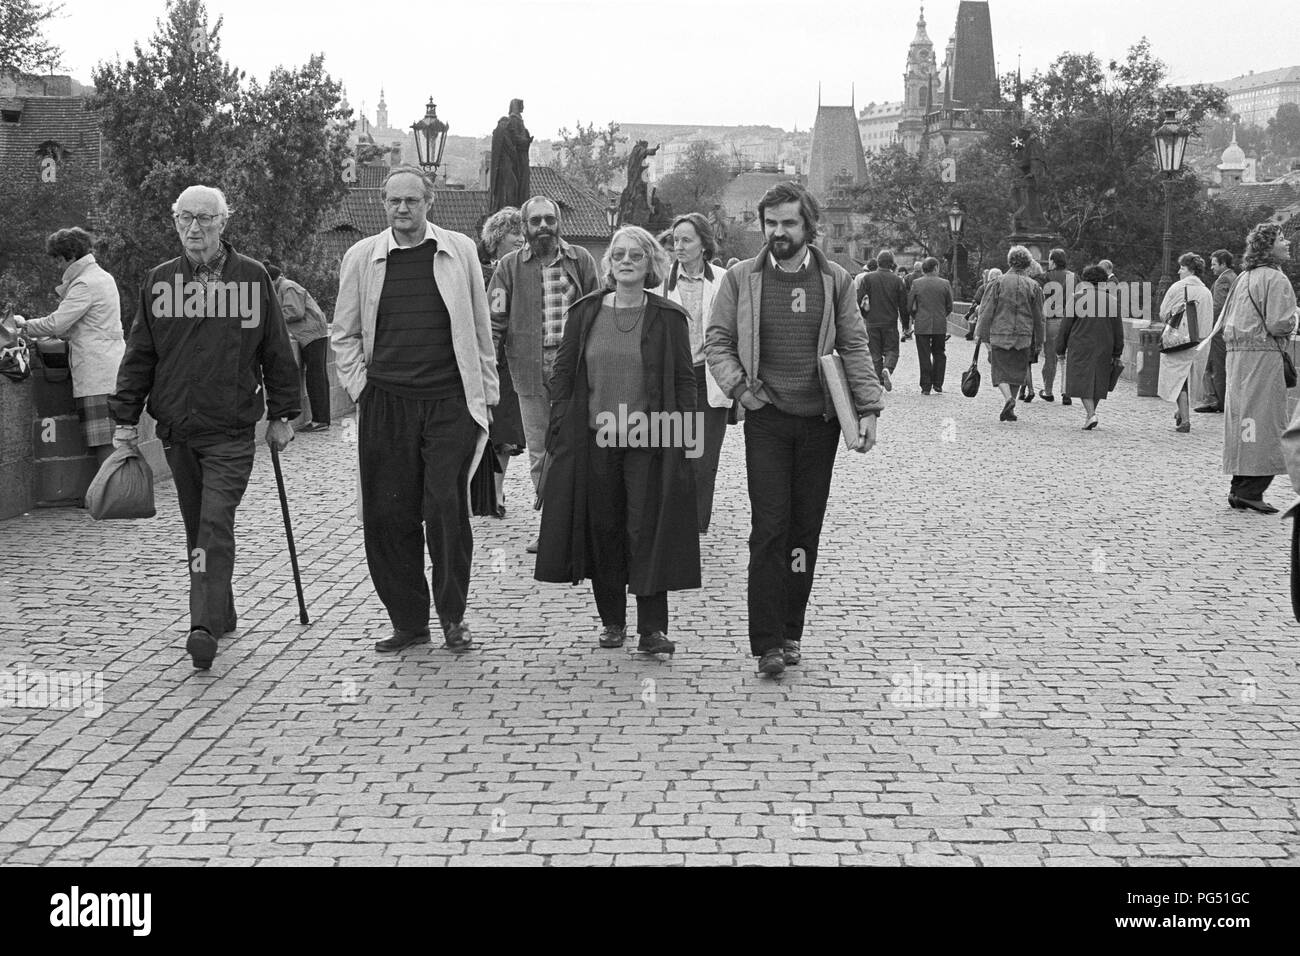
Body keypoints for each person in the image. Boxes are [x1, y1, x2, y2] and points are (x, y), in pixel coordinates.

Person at [109, 185, 299, 670]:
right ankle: (221, 607)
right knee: (198, 530)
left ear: (222, 224)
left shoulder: (252, 280)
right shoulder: (159, 283)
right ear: (175, 224)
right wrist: (125, 420)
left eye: (205, 219)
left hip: (231, 430)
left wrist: (282, 415)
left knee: (214, 525)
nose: (194, 229)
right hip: (177, 429)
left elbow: (277, 351)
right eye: (185, 219)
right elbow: (140, 355)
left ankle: (201, 625)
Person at [706, 182, 883, 677]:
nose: (778, 232)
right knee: (769, 530)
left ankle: (791, 631)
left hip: (819, 422)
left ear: (809, 227)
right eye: (771, 223)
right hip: (766, 418)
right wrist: (740, 389)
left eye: (788, 223)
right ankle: (765, 642)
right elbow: (717, 340)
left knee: (804, 532)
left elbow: (854, 345)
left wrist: (867, 407)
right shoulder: (742, 278)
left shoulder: (836, 280)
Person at [331, 165, 499, 652]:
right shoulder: (363, 257)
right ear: (383, 204)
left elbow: (480, 328)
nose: (402, 209)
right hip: (386, 402)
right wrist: (361, 387)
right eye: (393, 201)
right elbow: (342, 333)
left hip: (449, 400)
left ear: (430, 202)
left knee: (445, 506)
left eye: (411, 201)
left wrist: (485, 394)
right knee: (388, 515)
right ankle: (408, 620)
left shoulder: (459, 250)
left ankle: (452, 616)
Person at [535, 225, 699, 657]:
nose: (626, 261)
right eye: (619, 254)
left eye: (636, 256)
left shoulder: (667, 318)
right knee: (604, 528)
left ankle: (652, 630)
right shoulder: (585, 312)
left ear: (650, 265)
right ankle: (612, 621)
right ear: (608, 263)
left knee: (646, 529)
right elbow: (563, 375)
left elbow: (685, 383)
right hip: (594, 441)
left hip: (650, 441)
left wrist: (686, 445)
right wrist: (559, 430)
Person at [488, 196, 600, 553]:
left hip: (575, 368)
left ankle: (581, 527)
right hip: (529, 368)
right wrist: (486, 369)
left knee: (579, 447)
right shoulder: (508, 267)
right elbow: (494, 322)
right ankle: (553, 527)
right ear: (524, 227)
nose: (543, 227)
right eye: (535, 221)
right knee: (540, 452)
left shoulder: (581, 260)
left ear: (559, 222)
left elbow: (599, 311)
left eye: (549, 219)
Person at [13, 227, 124, 466]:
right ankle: (118, 497)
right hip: (111, 367)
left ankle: (110, 498)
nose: (56, 265)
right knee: (115, 440)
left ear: (69, 256)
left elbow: (56, 323)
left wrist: (23, 325)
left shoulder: (84, 283)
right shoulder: (104, 277)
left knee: (103, 442)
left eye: (57, 259)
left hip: (96, 372)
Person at [652, 213, 731, 534]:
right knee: (674, 452)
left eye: (687, 240)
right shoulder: (659, 283)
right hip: (672, 380)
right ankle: (671, 516)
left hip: (708, 378)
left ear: (703, 244)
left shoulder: (724, 280)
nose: (679, 247)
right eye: (675, 240)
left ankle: (696, 523)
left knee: (704, 457)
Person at [1220, 222, 1298, 514]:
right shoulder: (1276, 280)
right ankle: (1251, 490)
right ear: (1268, 247)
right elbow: (1278, 323)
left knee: (1243, 421)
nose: (1287, 243)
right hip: (1263, 356)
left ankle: (1239, 487)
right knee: (1264, 422)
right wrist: (1294, 321)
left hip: (1238, 357)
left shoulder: (1244, 277)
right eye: (1281, 239)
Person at [475, 207, 527, 518]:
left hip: (508, 360)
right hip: (482, 357)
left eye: (522, 233)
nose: (521, 239)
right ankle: (477, 489)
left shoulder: (522, 271)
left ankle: (495, 491)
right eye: (514, 233)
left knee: (505, 432)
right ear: (498, 237)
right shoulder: (480, 271)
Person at [975, 245, 1044, 423]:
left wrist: (980, 333)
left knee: (999, 370)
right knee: (1017, 372)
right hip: (1024, 335)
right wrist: (1040, 340)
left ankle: (1008, 400)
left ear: (1010, 262)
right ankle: (1010, 407)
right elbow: (1039, 316)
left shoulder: (997, 283)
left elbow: (987, 310)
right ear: (1027, 263)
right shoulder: (1034, 286)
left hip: (1000, 333)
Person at [264, 261, 330, 433]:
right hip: (312, 334)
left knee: (315, 378)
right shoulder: (286, 285)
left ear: (271, 280)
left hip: (311, 334)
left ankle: (320, 420)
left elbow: (295, 312)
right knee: (318, 376)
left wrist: (272, 318)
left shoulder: (287, 287)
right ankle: (321, 419)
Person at [1056, 265, 1124, 430]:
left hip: (1080, 344)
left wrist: (1060, 348)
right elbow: (1118, 329)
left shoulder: (1078, 298)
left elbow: (1066, 326)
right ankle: (1090, 414)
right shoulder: (1112, 301)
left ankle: (1091, 414)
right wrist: (1117, 351)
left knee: (1080, 380)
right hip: (1104, 346)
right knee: (1099, 382)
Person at [1156, 253, 1215, 433]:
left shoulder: (1177, 288)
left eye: (1182, 267)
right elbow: (1208, 320)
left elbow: (1163, 313)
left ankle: (1185, 420)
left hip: (1177, 339)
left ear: (1190, 269)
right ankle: (1181, 411)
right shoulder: (1206, 292)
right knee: (1190, 377)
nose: (1178, 271)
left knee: (1177, 378)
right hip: (1198, 342)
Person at [857, 249, 907, 391]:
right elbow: (903, 305)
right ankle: (888, 369)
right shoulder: (897, 280)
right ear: (891, 264)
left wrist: (864, 316)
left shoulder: (868, 278)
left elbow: (859, 300)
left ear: (878, 262)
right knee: (892, 350)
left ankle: (879, 379)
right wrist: (905, 325)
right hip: (890, 322)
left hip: (872, 321)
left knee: (875, 353)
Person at [1195, 249, 1237, 414]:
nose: (1211, 267)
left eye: (1214, 264)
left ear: (1223, 263)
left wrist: (1206, 327)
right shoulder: (1234, 277)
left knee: (1214, 365)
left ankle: (1215, 401)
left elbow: (1218, 307)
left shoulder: (1223, 280)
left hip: (1218, 331)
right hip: (1228, 328)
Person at [907, 256, 953, 394]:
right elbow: (949, 305)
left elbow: (909, 305)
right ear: (936, 268)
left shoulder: (916, 283)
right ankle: (938, 383)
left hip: (922, 324)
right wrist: (941, 315)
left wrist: (916, 317)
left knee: (924, 354)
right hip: (939, 323)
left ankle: (926, 385)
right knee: (939, 353)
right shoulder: (945, 283)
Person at [1037, 248, 1075, 402]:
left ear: (1053, 261)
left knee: (1050, 358)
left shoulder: (1045, 277)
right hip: (1069, 320)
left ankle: (1048, 390)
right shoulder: (1072, 277)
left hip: (1052, 320)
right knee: (1066, 358)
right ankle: (1066, 392)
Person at [488, 99, 532, 213]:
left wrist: (525, 140)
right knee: (512, 186)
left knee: (519, 187)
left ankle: (514, 208)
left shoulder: (518, 121)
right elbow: (515, 138)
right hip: (509, 162)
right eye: (521, 105)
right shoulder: (512, 120)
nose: (523, 108)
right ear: (516, 106)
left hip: (518, 161)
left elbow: (517, 138)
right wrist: (525, 141)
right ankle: (508, 209)